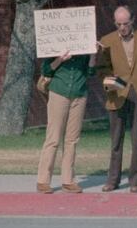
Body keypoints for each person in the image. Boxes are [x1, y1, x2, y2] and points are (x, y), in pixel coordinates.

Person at [97, 5, 137, 193]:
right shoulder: (106, 41)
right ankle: (112, 180)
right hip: (117, 94)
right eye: (118, 24)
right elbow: (102, 70)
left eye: (125, 23)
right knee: (116, 141)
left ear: (133, 20)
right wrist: (109, 82)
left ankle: (136, 180)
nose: (122, 27)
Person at [36, 50, 96, 193]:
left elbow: (90, 72)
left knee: (72, 139)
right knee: (53, 138)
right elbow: (46, 70)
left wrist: (93, 55)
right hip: (59, 92)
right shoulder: (56, 47)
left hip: (79, 94)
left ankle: (68, 181)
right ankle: (43, 181)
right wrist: (60, 59)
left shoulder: (84, 48)